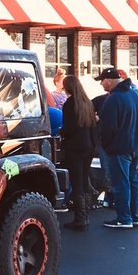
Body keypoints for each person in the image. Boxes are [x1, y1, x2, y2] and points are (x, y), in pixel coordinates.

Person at [95, 67, 138, 229]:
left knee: (120, 184)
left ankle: (124, 219)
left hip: (119, 149)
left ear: (109, 81)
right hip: (134, 146)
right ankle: (136, 216)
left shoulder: (113, 99)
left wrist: (106, 145)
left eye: (102, 81)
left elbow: (108, 127)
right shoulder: (135, 95)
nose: (101, 84)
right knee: (133, 183)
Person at [59, 75, 97, 231]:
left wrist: (61, 132)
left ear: (68, 87)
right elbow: (93, 126)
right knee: (84, 179)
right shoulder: (87, 102)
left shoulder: (69, 104)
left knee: (76, 182)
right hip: (89, 146)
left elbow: (69, 128)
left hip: (75, 147)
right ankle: (85, 215)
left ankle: (80, 219)